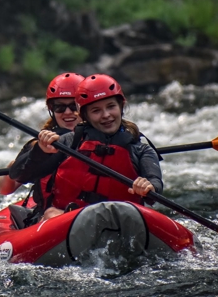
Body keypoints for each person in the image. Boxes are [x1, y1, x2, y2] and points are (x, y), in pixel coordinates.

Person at [9, 74, 163, 224]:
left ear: (121, 106)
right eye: (96, 111)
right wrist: (40, 151)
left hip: (121, 221)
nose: (106, 115)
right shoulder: (69, 143)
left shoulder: (141, 150)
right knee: (51, 214)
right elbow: (18, 174)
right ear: (85, 116)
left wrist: (149, 188)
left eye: (111, 106)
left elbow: (155, 183)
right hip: (69, 219)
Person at [0, 72, 85, 195]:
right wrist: (14, 167)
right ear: (51, 110)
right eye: (59, 107)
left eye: (74, 106)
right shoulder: (43, 143)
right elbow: (4, 189)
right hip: (55, 207)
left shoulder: (102, 135)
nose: (68, 112)